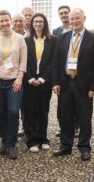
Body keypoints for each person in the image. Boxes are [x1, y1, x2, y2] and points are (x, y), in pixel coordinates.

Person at [52, 8, 94, 161]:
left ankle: (84, 147)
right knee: (65, 116)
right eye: (72, 19)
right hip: (66, 83)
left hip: (84, 86)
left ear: (84, 18)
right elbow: (56, 62)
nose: (74, 21)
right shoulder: (63, 38)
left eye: (77, 18)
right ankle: (66, 145)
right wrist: (55, 82)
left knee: (84, 117)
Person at [0, 10, 27, 160]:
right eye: (1, 21)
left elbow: (23, 61)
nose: (4, 23)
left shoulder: (19, 39)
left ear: (10, 21)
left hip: (14, 82)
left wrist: (19, 78)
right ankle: (4, 142)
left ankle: (11, 144)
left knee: (13, 111)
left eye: (6, 20)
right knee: (1, 112)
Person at [22, 13, 55, 153]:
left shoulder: (53, 41)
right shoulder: (25, 40)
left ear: (45, 23)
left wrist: (42, 78)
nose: (38, 24)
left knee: (43, 110)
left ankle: (43, 138)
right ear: (32, 24)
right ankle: (31, 139)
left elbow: (53, 62)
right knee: (29, 111)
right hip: (29, 81)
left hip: (44, 82)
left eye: (41, 21)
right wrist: (30, 78)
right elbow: (22, 61)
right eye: (36, 21)